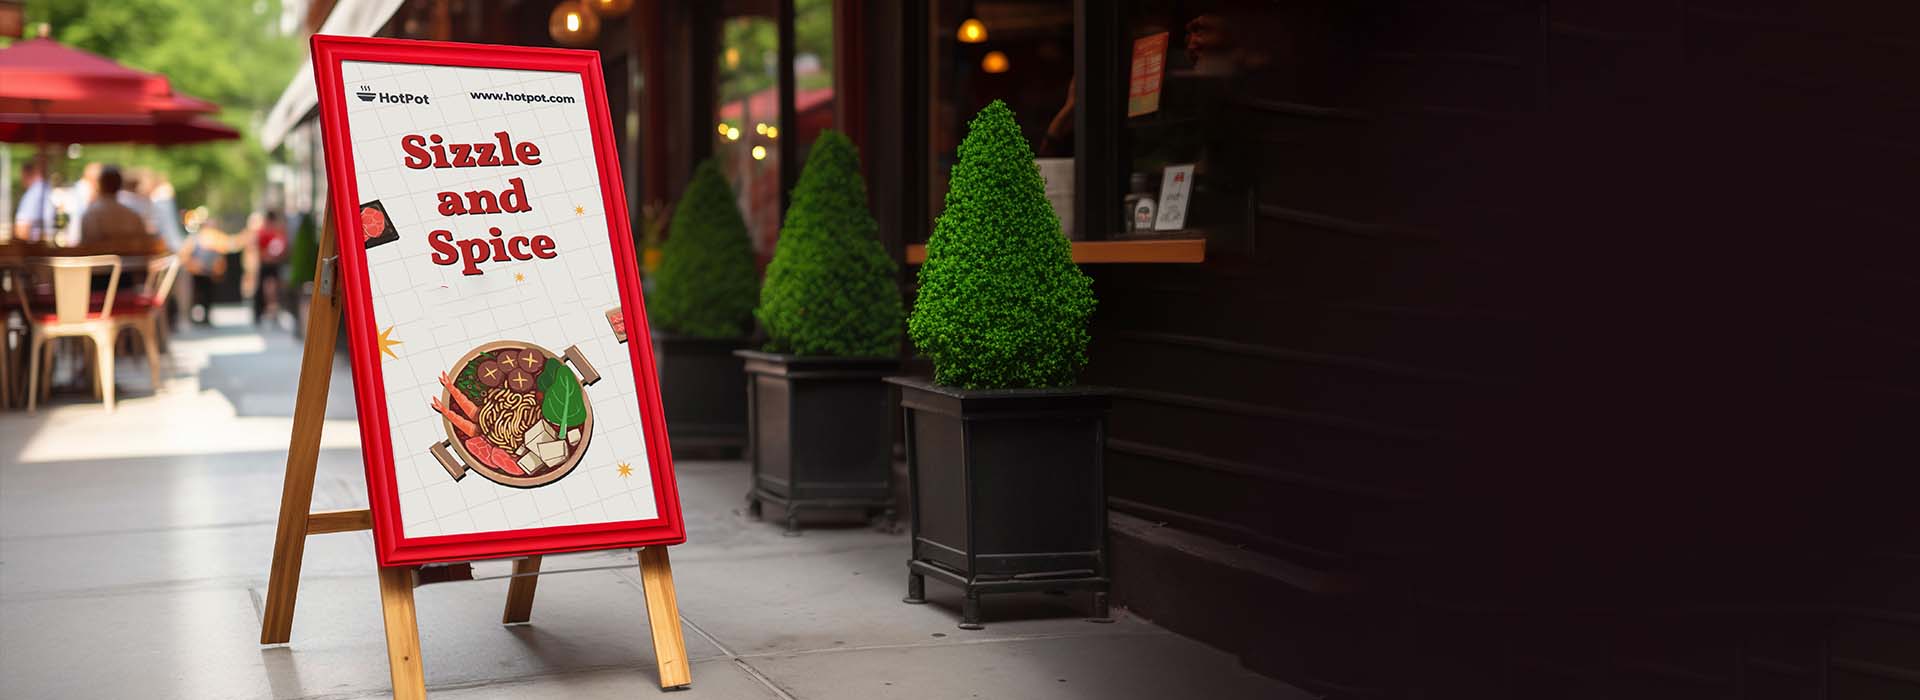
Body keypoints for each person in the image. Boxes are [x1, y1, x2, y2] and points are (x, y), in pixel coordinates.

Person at [78, 166, 161, 254]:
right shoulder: (133, 215)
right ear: (120, 185)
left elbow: (86, 246)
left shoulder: (90, 214)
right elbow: (144, 244)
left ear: (100, 184)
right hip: (133, 266)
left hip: (103, 266)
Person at [246, 211, 290, 327]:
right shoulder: (266, 232)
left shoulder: (276, 232)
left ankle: (270, 312)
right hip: (266, 263)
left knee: (273, 289)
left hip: (272, 264)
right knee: (261, 288)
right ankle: (259, 313)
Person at [10, 157, 53, 242]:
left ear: (25, 174)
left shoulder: (33, 194)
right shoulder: (46, 189)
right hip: (44, 247)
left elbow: (22, 230)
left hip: (34, 250)